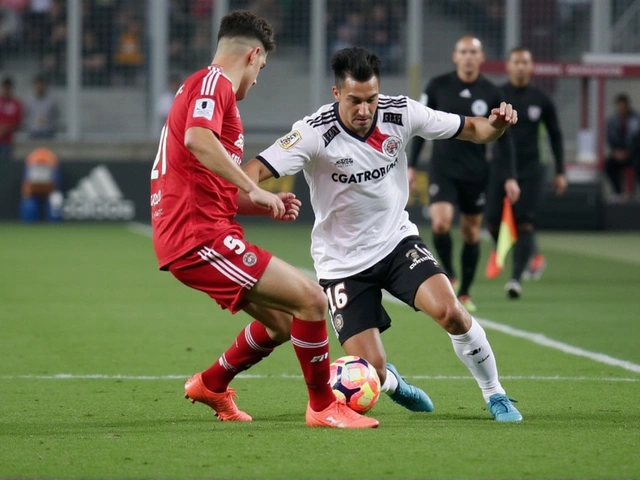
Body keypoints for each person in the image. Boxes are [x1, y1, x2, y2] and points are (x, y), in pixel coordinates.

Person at [241, 47, 523, 422]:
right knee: (369, 371)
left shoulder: (400, 112)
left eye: (371, 99)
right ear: (336, 93)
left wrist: (498, 124)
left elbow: (475, 129)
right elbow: (251, 172)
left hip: (395, 242)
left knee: (452, 313)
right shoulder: (313, 133)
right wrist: (262, 197)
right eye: (355, 100)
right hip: (341, 264)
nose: (364, 110)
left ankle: (495, 394)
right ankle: (391, 382)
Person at [150, 10, 377, 429]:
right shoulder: (213, 82)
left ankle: (211, 384)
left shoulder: (202, 90)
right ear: (253, 55)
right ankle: (324, 407)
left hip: (200, 231)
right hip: (197, 237)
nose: (258, 79)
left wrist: (261, 202)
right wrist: (254, 187)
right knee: (312, 299)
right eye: (263, 68)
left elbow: (208, 184)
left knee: (285, 323)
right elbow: (196, 140)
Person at [407, 36, 520, 313]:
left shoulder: (491, 92)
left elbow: (504, 138)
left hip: (476, 172)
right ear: (455, 57)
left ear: (481, 58)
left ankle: (466, 291)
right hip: (442, 168)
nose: (468, 56)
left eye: (473, 52)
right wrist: (411, 165)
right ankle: (449, 274)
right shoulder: (437, 86)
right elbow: (421, 125)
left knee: (471, 233)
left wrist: (510, 176)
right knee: (441, 223)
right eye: (463, 52)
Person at [485, 47, 566, 296]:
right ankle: (507, 249)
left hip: (531, 169)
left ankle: (515, 279)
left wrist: (560, 171)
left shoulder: (541, 99)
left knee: (525, 222)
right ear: (508, 66)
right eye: (516, 62)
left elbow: (555, 135)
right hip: (499, 166)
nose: (521, 66)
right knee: (491, 221)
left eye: (525, 62)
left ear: (531, 67)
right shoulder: (497, 95)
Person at [604, 93, 640, 202]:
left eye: (623, 106)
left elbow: (637, 139)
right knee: (609, 164)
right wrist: (616, 152)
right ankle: (618, 192)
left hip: (634, 154)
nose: (621, 109)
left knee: (638, 164)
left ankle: (635, 193)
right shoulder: (612, 121)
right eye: (619, 106)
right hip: (619, 154)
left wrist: (629, 152)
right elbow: (610, 138)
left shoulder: (636, 120)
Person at [24, 73, 59, 139]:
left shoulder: (51, 100)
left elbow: (55, 115)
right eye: (38, 84)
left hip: (48, 132)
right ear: (34, 85)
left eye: (42, 84)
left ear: (45, 85)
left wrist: (50, 123)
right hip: (33, 131)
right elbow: (26, 115)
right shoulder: (28, 100)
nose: (40, 86)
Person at [0, 76, 22, 162]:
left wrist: (5, 129)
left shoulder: (16, 104)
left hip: (7, 141)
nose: (6, 91)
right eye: (5, 88)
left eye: (8, 88)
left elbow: (17, 122)